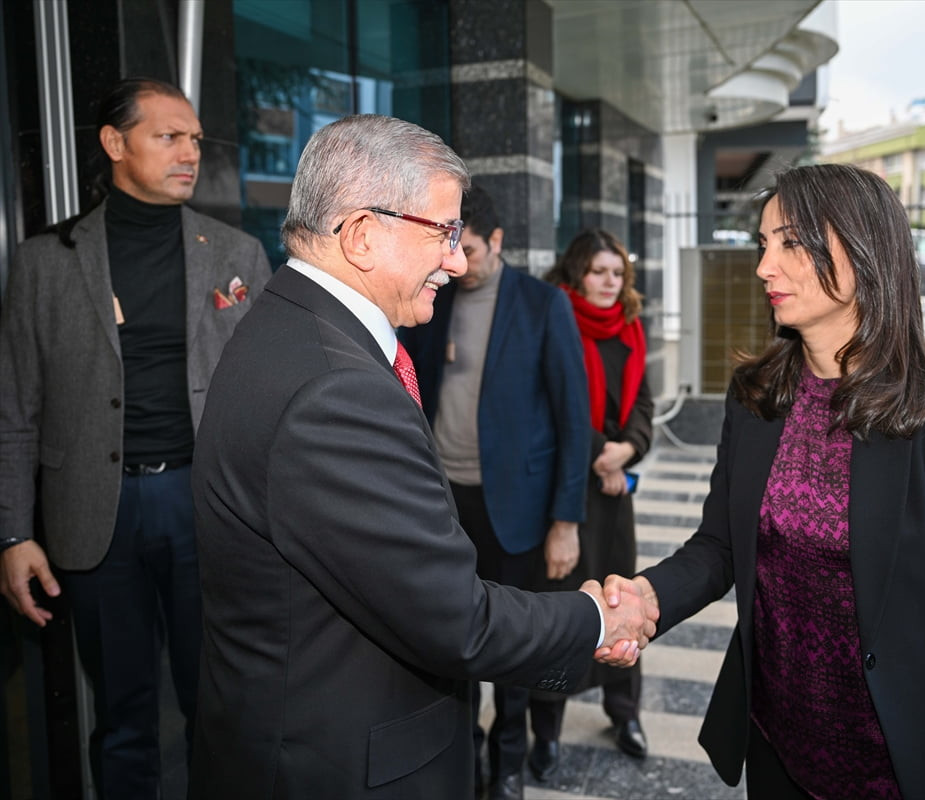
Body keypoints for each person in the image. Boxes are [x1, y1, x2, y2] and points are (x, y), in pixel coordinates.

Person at [186, 114, 654, 800]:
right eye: (442, 232)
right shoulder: (334, 389)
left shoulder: (288, 327)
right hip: (342, 766)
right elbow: (455, 622)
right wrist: (597, 618)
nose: (458, 260)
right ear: (363, 235)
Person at [605, 163, 925, 799]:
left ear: (864, 249)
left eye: (790, 244)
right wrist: (645, 598)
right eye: (763, 245)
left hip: (898, 770)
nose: (763, 268)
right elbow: (720, 546)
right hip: (777, 752)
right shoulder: (757, 397)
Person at [0, 77, 271, 799]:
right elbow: (15, 411)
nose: (190, 152)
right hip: (95, 515)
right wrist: (13, 535)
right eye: (169, 137)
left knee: (220, 706)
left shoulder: (238, 257)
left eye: (195, 139)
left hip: (207, 510)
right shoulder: (43, 264)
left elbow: (274, 400)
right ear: (115, 144)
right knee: (121, 716)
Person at [398, 185, 591, 800]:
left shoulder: (542, 305)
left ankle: (509, 762)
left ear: (499, 242)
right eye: (448, 242)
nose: (457, 259)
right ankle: (467, 757)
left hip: (516, 508)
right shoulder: (436, 298)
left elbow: (573, 418)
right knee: (453, 638)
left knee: (512, 644)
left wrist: (566, 521)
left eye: (470, 247)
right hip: (445, 502)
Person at [528, 229, 655, 776]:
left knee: (621, 598)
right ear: (577, 272)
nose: (609, 283)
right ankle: (546, 729)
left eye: (618, 273)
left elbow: (643, 406)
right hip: (566, 491)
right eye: (599, 271)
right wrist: (603, 455)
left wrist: (627, 449)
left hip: (612, 496)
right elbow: (549, 406)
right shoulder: (553, 322)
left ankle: (624, 711)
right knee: (562, 607)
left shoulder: (630, 330)